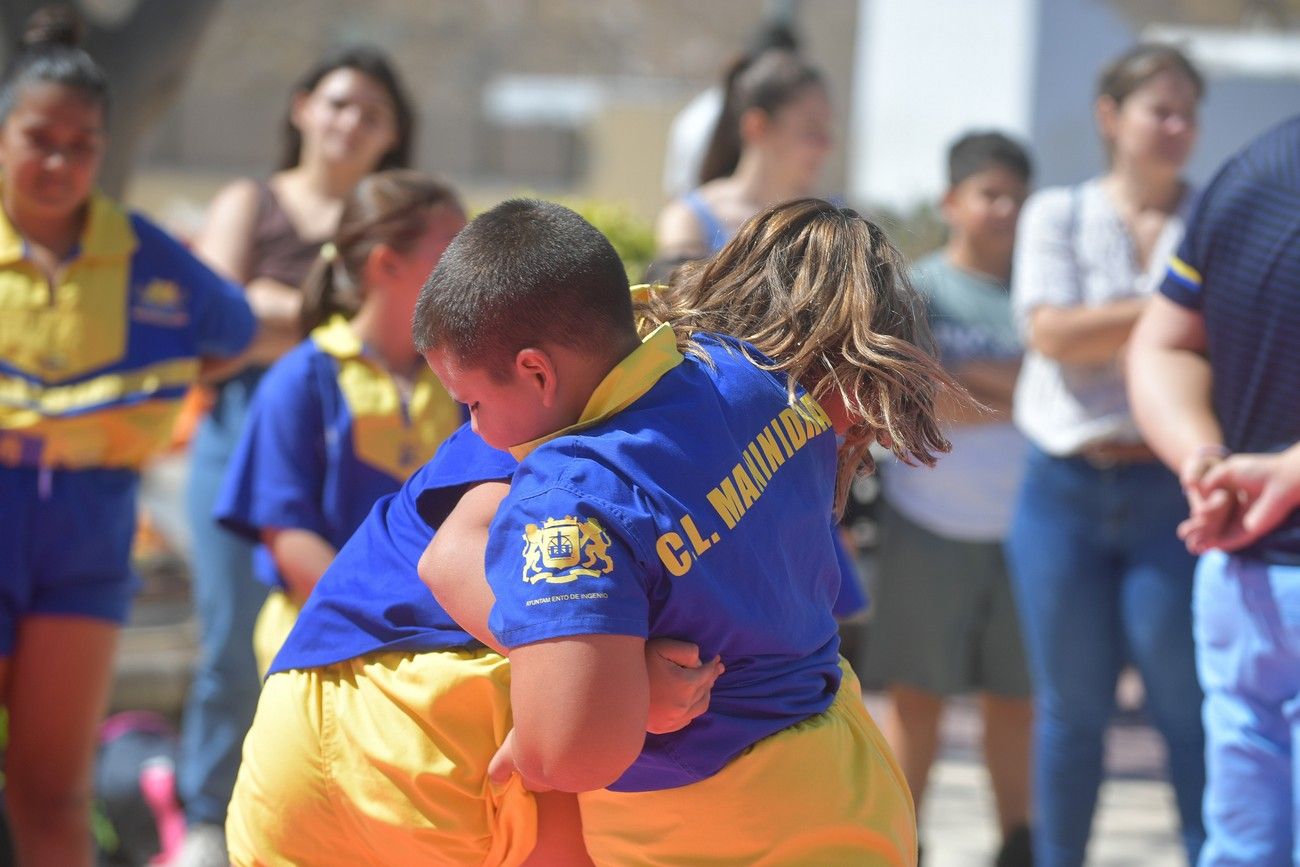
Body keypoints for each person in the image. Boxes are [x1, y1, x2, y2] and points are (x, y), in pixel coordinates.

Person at [419, 198, 957, 865]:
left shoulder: (569, 486)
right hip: (849, 779)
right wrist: (617, 672)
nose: (473, 427)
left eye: (469, 402)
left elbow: (568, 750)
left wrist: (562, 720)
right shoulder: (759, 384)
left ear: (536, 370)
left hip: (713, 821)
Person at [226, 419, 722, 866]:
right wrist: (617, 686)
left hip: (303, 739)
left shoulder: (586, 413)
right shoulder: (572, 417)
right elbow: (452, 557)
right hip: (418, 734)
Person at [0, 8, 255, 865]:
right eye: (40, 138)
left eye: (83, 143)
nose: (61, 162)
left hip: (88, 537)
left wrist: (152, 397)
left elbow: (235, 326)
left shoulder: (141, 251)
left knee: (51, 792)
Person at [178, 45, 413, 864]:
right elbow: (211, 319)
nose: (351, 122)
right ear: (302, 108)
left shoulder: (389, 221)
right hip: (240, 436)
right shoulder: (253, 198)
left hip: (357, 452)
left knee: (350, 635)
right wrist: (323, 310)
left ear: (393, 138)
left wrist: (272, 311)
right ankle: (210, 814)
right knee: (230, 638)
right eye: (339, 102)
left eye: (373, 113)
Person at [1004, 44, 1207, 866]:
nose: (1177, 128)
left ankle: (1213, 852)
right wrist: (1177, 310)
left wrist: (1113, 323)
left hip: (1175, 485)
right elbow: (1051, 335)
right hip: (1064, 486)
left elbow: (1084, 331)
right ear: (1109, 115)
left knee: (1188, 705)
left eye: (1188, 112)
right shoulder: (1055, 212)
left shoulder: (1213, 212)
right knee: (1071, 709)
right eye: (1160, 109)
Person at [1127, 115, 1300, 867]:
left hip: (1244, 575)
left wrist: (1205, 458)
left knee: (1243, 848)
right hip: (1246, 564)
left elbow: (1162, 340)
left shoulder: (1252, 168)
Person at [213, 171, 467, 676]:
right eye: (453, 253)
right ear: (386, 263)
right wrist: (395, 615)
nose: (471, 271)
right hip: (324, 648)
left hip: (440, 653)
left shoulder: (465, 378)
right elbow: (289, 539)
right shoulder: (302, 378)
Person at [866, 131, 1033, 865]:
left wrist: (971, 380)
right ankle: (906, 841)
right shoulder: (919, 290)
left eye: (1017, 197)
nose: (1006, 210)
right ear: (951, 201)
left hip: (1029, 531)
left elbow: (1066, 387)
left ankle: (1020, 843)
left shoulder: (1041, 287)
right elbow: (920, 397)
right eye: (990, 193)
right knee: (916, 694)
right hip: (926, 521)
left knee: (1018, 697)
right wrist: (1021, 388)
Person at [653, 49, 832, 271]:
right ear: (756, 126)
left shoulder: (837, 223)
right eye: (811, 129)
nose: (826, 146)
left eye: (827, 129)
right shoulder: (690, 221)